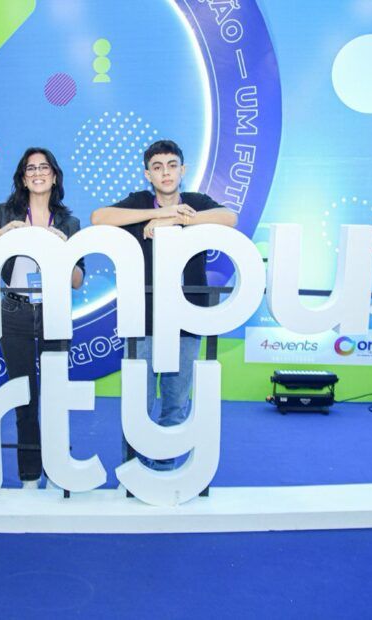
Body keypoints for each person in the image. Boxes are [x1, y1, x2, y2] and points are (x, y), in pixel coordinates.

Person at [91, 139, 237, 469]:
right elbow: (99, 217)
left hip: (187, 320)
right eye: (157, 167)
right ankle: (135, 473)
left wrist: (177, 221)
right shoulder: (140, 202)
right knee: (137, 404)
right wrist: (161, 213)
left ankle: (164, 470)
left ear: (183, 170)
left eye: (172, 166)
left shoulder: (196, 203)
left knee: (176, 402)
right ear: (148, 174)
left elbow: (230, 217)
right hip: (143, 320)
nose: (166, 172)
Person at [0, 147, 84, 489]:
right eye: (30, 168)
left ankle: (58, 472)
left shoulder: (69, 222)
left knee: (56, 396)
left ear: (54, 176)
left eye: (44, 167)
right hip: (14, 312)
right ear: (22, 178)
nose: (38, 173)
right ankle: (29, 477)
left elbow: (77, 280)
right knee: (24, 398)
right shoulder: (5, 213)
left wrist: (64, 249)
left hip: (53, 309)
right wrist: (3, 238)